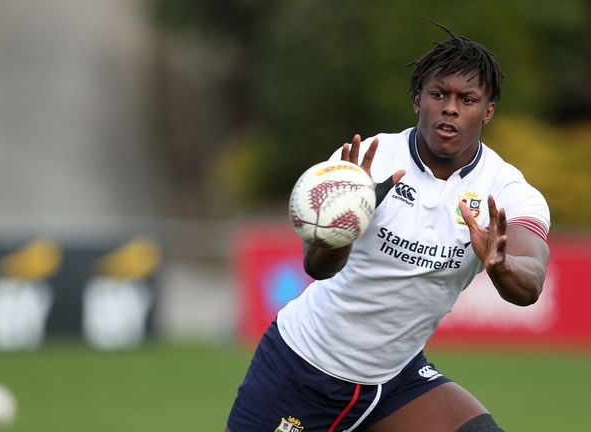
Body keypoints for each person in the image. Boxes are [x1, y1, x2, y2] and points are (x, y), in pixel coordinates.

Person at [226, 23, 550, 432]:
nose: (451, 108)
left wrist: (502, 265)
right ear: (418, 100)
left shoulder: (505, 190)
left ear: (487, 111)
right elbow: (317, 266)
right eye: (439, 95)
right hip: (302, 367)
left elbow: (531, 281)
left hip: (394, 384)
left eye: (467, 99)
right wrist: (345, 220)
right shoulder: (368, 162)